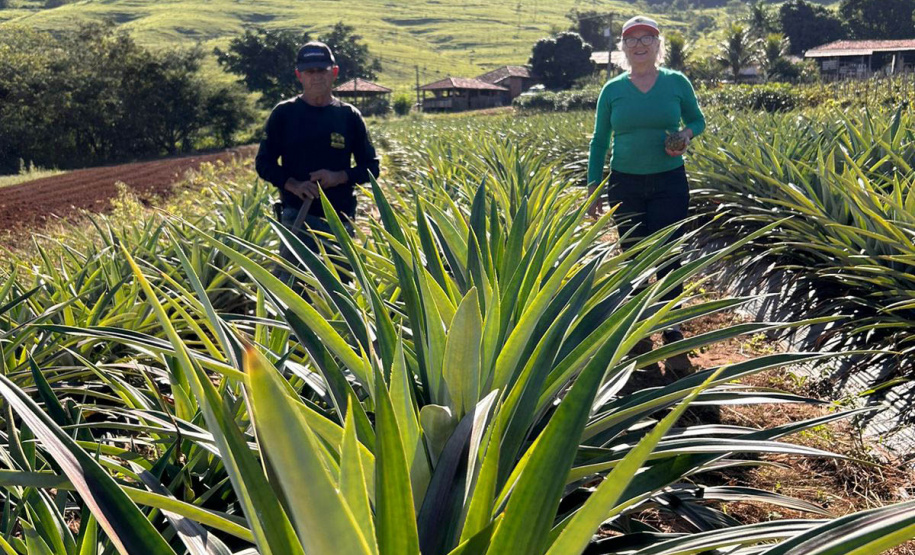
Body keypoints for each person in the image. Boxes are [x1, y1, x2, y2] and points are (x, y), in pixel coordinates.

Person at [586, 15, 705, 353]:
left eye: (646, 38)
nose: (639, 45)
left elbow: (697, 120)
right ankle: (638, 322)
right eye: (632, 39)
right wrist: (593, 185)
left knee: (668, 251)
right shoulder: (612, 90)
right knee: (634, 253)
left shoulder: (676, 82)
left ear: (657, 44)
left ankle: (670, 323)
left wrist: (685, 134)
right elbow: (599, 140)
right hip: (625, 183)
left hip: (669, 181)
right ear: (623, 47)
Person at [255, 41, 380, 280]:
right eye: (309, 71)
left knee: (340, 289)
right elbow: (264, 163)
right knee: (293, 288)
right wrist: (294, 185)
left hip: (340, 221)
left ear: (334, 72)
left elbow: (372, 167)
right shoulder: (283, 114)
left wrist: (339, 177)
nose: (316, 77)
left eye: (322, 70)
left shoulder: (349, 116)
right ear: (299, 75)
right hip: (297, 218)